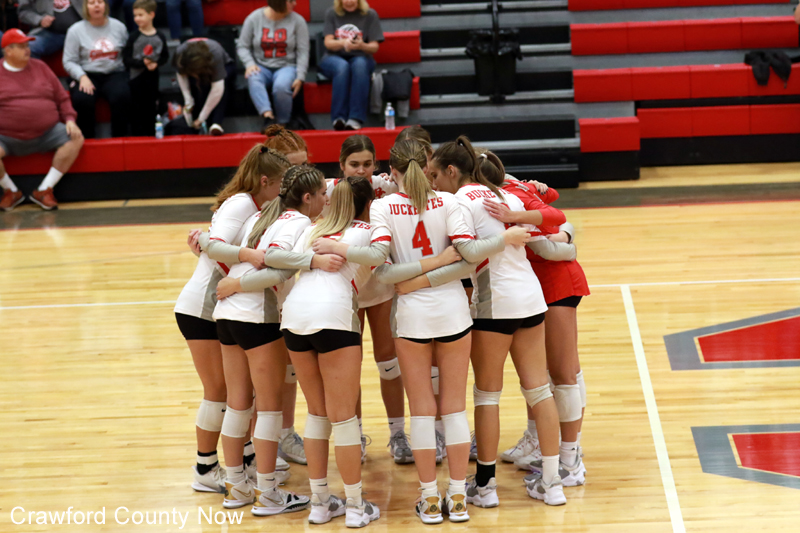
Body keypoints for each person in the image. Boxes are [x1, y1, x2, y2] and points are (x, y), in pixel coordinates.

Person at [314, 138, 531, 523]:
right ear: (427, 167)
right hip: (453, 313)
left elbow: (383, 272)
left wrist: (413, 280)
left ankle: (430, 500)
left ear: (392, 171)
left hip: (411, 316)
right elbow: (469, 257)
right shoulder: (448, 202)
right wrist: (446, 261)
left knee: (422, 411)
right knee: (454, 408)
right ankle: (459, 497)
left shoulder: (382, 206)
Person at [428, 137, 567, 507]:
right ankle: (552, 483)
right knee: (539, 391)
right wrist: (515, 223)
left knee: (487, 395)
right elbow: (554, 215)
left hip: (494, 304)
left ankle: (486, 486)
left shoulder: (457, 201)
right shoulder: (506, 195)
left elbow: (464, 253)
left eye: (435, 176)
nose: (434, 184)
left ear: (452, 171)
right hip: (531, 298)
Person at [175, 144, 293, 495]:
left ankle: (245, 460)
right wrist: (250, 256)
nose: (283, 191)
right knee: (219, 392)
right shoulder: (241, 203)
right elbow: (215, 246)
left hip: (224, 305)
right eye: (280, 183)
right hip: (203, 307)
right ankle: (205, 468)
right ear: (265, 180)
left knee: (242, 392)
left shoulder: (259, 206)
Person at [210, 159, 325, 515]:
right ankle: (269, 493)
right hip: (256, 315)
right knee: (269, 407)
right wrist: (239, 284)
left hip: (227, 314)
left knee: (238, 404)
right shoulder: (300, 224)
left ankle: (236, 488)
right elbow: (278, 269)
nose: (326, 199)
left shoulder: (263, 215)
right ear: (307, 197)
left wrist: (233, 284)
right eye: (322, 193)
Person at [484, 173, 589, 488]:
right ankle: (539, 442)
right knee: (541, 373)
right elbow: (550, 197)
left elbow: (556, 220)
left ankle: (570, 458)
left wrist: (565, 243)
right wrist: (564, 236)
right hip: (535, 288)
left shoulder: (507, 196)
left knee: (564, 373)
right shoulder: (508, 189)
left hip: (557, 283)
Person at [332, 135, 413, 465]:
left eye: (367, 164)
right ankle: (356, 435)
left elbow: (424, 182)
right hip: (345, 290)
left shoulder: (388, 187)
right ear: (342, 165)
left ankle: (398, 434)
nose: (361, 170)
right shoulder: (330, 192)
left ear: (376, 165)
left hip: (379, 285)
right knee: (348, 367)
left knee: (388, 362)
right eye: (354, 164)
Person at [0, 29, 84, 212]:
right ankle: (10, 191)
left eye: (27, 45)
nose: (27, 49)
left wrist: (70, 119)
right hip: (6, 137)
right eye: (21, 46)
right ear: (8, 51)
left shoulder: (41, 67)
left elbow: (62, 98)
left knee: (76, 138)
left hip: (47, 133)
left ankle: (44, 189)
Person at [238, 0, 309, 132]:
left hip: (287, 65)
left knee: (281, 86)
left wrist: (300, 76)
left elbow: (303, 51)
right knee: (253, 77)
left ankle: (283, 122)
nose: (295, 4)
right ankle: (268, 117)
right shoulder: (254, 18)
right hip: (261, 65)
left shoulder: (298, 21)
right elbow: (242, 46)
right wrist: (249, 64)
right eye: (290, 1)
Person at [63, 0, 130, 139]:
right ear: (86, 7)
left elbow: (127, 54)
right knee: (82, 99)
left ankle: (120, 140)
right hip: (87, 73)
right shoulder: (75, 30)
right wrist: (81, 76)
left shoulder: (119, 27)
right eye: (92, 2)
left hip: (114, 72)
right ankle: (86, 140)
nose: (96, 5)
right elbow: (69, 60)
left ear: (105, 5)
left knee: (122, 96)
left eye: (99, 2)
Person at [320, 0, 383, 130]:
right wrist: (343, 43)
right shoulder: (331, 13)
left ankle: (355, 118)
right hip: (333, 56)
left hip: (361, 56)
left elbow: (374, 47)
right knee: (342, 67)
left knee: (360, 66)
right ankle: (338, 118)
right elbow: (328, 42)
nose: (349, 2)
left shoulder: (370, 14)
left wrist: (362, 45)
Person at [172, 38, 236, 136]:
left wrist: (202, 118)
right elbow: (181, 75)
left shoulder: (215, 53)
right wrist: (188, 100)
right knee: (197, 85)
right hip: (193, 65)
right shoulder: (179, 55)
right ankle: (193, 124)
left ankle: (216, 123)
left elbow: (217, 89)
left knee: (219, 84)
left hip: (224, 65)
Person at [122, 0, 168, 137]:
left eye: (140, 15)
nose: (137, 18)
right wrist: (143, 63)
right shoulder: (133, 37)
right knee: (137, 109)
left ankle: (151, 135)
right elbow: (126, 59)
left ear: (151, 15)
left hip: (152, 78)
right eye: (135, 15)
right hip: (135, 79)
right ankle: (137, 136)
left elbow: (165, 56)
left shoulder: (160, 36)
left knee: (151, 107)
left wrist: (156, 63)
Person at [17, 0, 83, 58]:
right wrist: (39, 20)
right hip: (50, 33)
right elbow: (23, 12)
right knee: (28, 47)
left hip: (81, 32)